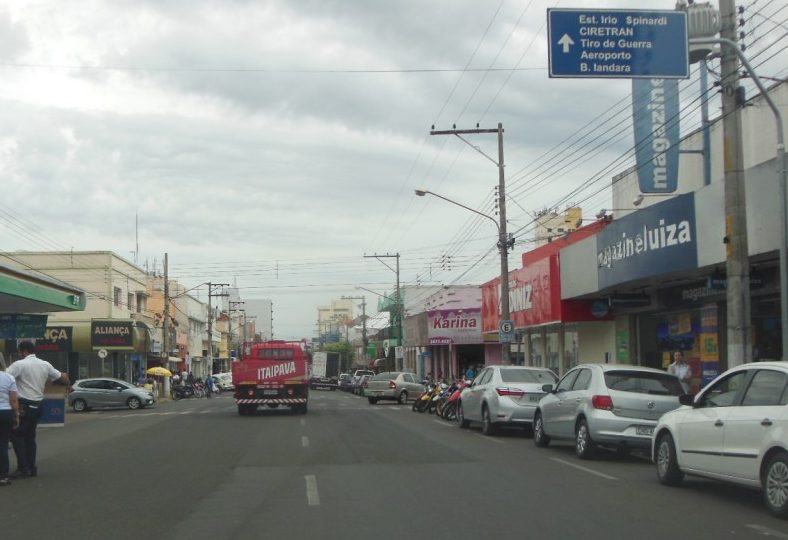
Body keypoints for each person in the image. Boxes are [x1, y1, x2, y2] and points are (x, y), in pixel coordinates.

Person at [7, 341, 69, 478]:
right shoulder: (45, 364)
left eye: (19, 352)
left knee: (16, 435)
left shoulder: (19, 365)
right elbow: (63, 378)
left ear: (23, 351)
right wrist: (67, 382)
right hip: (38, 405)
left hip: (24, 405)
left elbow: (5, 379)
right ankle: (32, 467)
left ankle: (23, 467)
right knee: (30, 437)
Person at [0, 366, 20, 486]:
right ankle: (3, 476)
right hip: (5, 413)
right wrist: (16, 415)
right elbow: (13, 400)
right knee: (2, 444)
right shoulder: (9, 377)